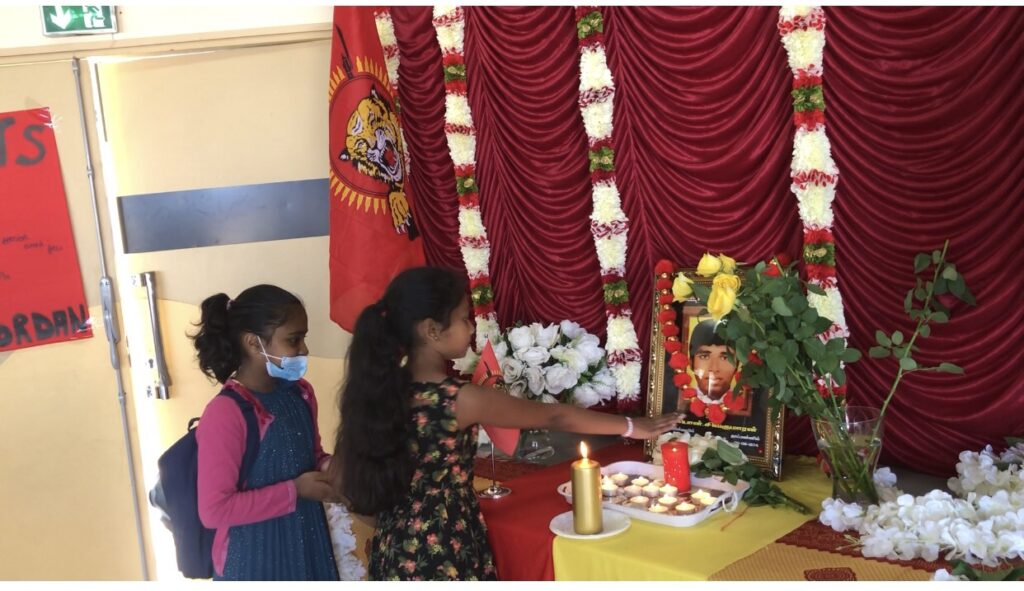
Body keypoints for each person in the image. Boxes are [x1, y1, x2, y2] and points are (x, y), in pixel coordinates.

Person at [332, 266, 679, 581]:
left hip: (394, 548)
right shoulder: (458, 399)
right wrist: (633, 427)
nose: (471, 328)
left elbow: (344, 479)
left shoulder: (379, 393)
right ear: (432, 330)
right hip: (444, 551)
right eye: (464, 319)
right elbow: (554, 415)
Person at [192, 285, 339, 581]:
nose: (304, 350)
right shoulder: (227, 412)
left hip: (307, 542)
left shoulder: (300, 393)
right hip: (253, 561)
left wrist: (333, 467)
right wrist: (296, 490)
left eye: (304, 338)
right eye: (293, 340)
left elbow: (312, 455)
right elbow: (214, 510)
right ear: (253, 343)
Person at [677, 319, 765, 427]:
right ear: (691, 362)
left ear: (737, 364)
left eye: (725, 358)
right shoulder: (679, 401)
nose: (714, 368)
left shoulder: (755, 402)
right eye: (704, 356)